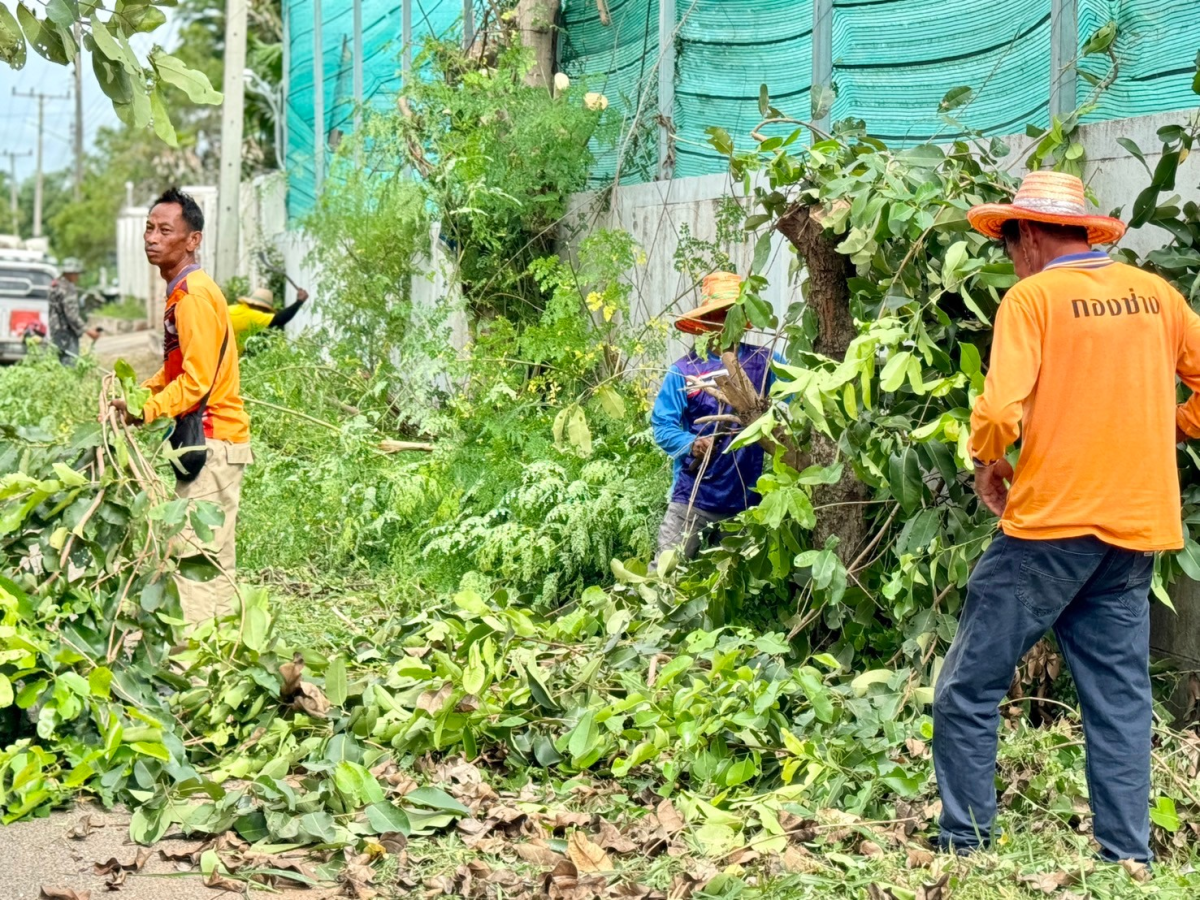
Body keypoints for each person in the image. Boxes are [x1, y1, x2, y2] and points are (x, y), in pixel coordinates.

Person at [932, 170, 1200, 864]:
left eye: (1008, 245)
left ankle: (966, 847)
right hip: (1134, 532)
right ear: (1084, 231)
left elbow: (997, 411)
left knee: (968, 687)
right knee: (1119, 701)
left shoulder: (1033, 298)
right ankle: (1127, 859)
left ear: (1026, 237)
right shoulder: (1157, 296)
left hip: (1048, 531)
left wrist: (987, 460)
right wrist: (1178, 424)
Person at [111, 187, 252, 627]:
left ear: (192, 240)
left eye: (165, 230)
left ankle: (192, 668)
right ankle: (218, 666)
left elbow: (196, 380)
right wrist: (135, 395)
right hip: (214, 444)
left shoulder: (192, 296)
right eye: (149, 228)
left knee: (194, 562)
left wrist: (146, 411)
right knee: (207, 561)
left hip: (213, 443)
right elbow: (175, 372)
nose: (152, 237)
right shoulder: (182, 291)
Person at [650, 272, 780, 563]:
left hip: (746, 498)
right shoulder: (684, 370)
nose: (723, 323)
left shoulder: (765, 362)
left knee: (730, 582)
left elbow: (796, 395)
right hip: (693, 495)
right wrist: (692, 443)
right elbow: (662, 425)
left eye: (730, 314)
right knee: (666, 574)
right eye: (717, 315)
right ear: (704, 323)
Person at [48, 258, 100, 364]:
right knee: (69, 365)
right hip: (67, 333)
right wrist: (88, 331)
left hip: (56, 331)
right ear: (70, 273)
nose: (78, 276)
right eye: (76, 274)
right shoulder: (67, 288)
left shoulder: (56, 285)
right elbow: (71, 315)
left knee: (59, 364)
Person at [227, 286, 309, 353]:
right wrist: (299, 301)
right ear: (261, 307)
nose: (264, 313)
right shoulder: (252, 315)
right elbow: (280, 319)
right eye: (265, 311)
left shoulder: (233, 309)